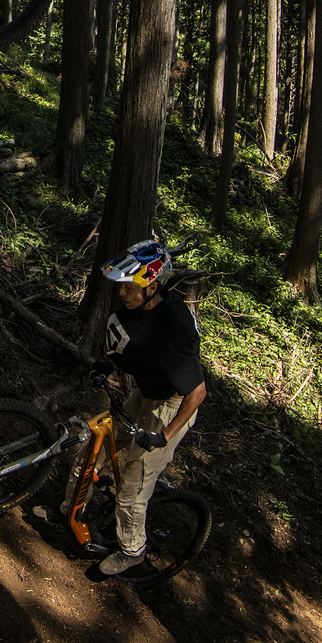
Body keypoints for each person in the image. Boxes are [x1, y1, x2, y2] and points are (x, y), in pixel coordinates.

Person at [90, 240, 208, 576]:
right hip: (145, 394)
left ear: (152, 288)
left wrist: (164, 436)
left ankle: (132, 551)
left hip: (173, 404)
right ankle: (69, 510)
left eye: (129, 287)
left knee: (132, 485)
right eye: (121, 286)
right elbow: (130, 347)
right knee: (93, 447)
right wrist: (107, 366)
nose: (122, 293)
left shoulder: (174, 328)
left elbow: (198, 393)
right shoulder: (132, 311)